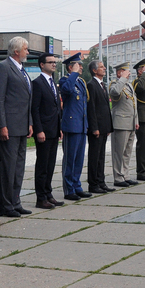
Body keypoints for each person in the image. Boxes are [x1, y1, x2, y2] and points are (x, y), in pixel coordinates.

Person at [0, 36, 34, 217]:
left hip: (22, 125)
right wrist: (2, 125)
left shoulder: (22, 70)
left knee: (18, 167)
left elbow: (27, 100)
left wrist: (30, 122)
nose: (28, 52)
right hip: (9, 126)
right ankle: (6, 205)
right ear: (16, 51)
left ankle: (16, 202)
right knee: (8, 168)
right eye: (26, 49)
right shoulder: (3, 67)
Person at [31, 53, 63, 209]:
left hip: (54, 130)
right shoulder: (37, 83)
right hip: (43, 131)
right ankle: (41, 198)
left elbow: (57, 108)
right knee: (42, 165)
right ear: (42, 65)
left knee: (50, 165)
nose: (54, 65)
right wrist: (39, 130)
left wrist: (60, 127)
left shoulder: (53, 82)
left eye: (55, 63)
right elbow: (35, 109)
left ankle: (48, 194)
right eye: (50, 62)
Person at [58, 53, 89, 200]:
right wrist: (74, 73)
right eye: (78, 65)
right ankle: (69, 189)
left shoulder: (80, 82)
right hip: (71, 125)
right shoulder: (65, 80)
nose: (81, 67)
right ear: (71, 67)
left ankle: (77, 185)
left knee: (79, 159)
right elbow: (67, 90)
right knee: (70, 159)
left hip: (81, 125)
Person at [86, 60, 115, 194]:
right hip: (96, 127)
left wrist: (108, 127)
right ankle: (93, 184)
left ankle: (101, 181)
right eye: (102, 67)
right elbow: (91, 108)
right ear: (94, 70)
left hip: (104, 127)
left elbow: (105, 108)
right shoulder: (91, 85)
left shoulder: (103, 85)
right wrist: (94, 127)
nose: (104, 69)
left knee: (101, 156)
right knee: (94, 156)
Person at [109, 62, 138, 187]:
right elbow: (115, 93)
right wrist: (122, 79)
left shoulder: (128, 86)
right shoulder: (115, 84)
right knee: (118, 152)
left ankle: (125, 175)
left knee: (127, 152)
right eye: (126, 71)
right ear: (119, 72)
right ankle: (118, 177)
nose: (129, 74)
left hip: (130, 123)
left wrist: (136, 121)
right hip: (120, 123)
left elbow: (133, 104)